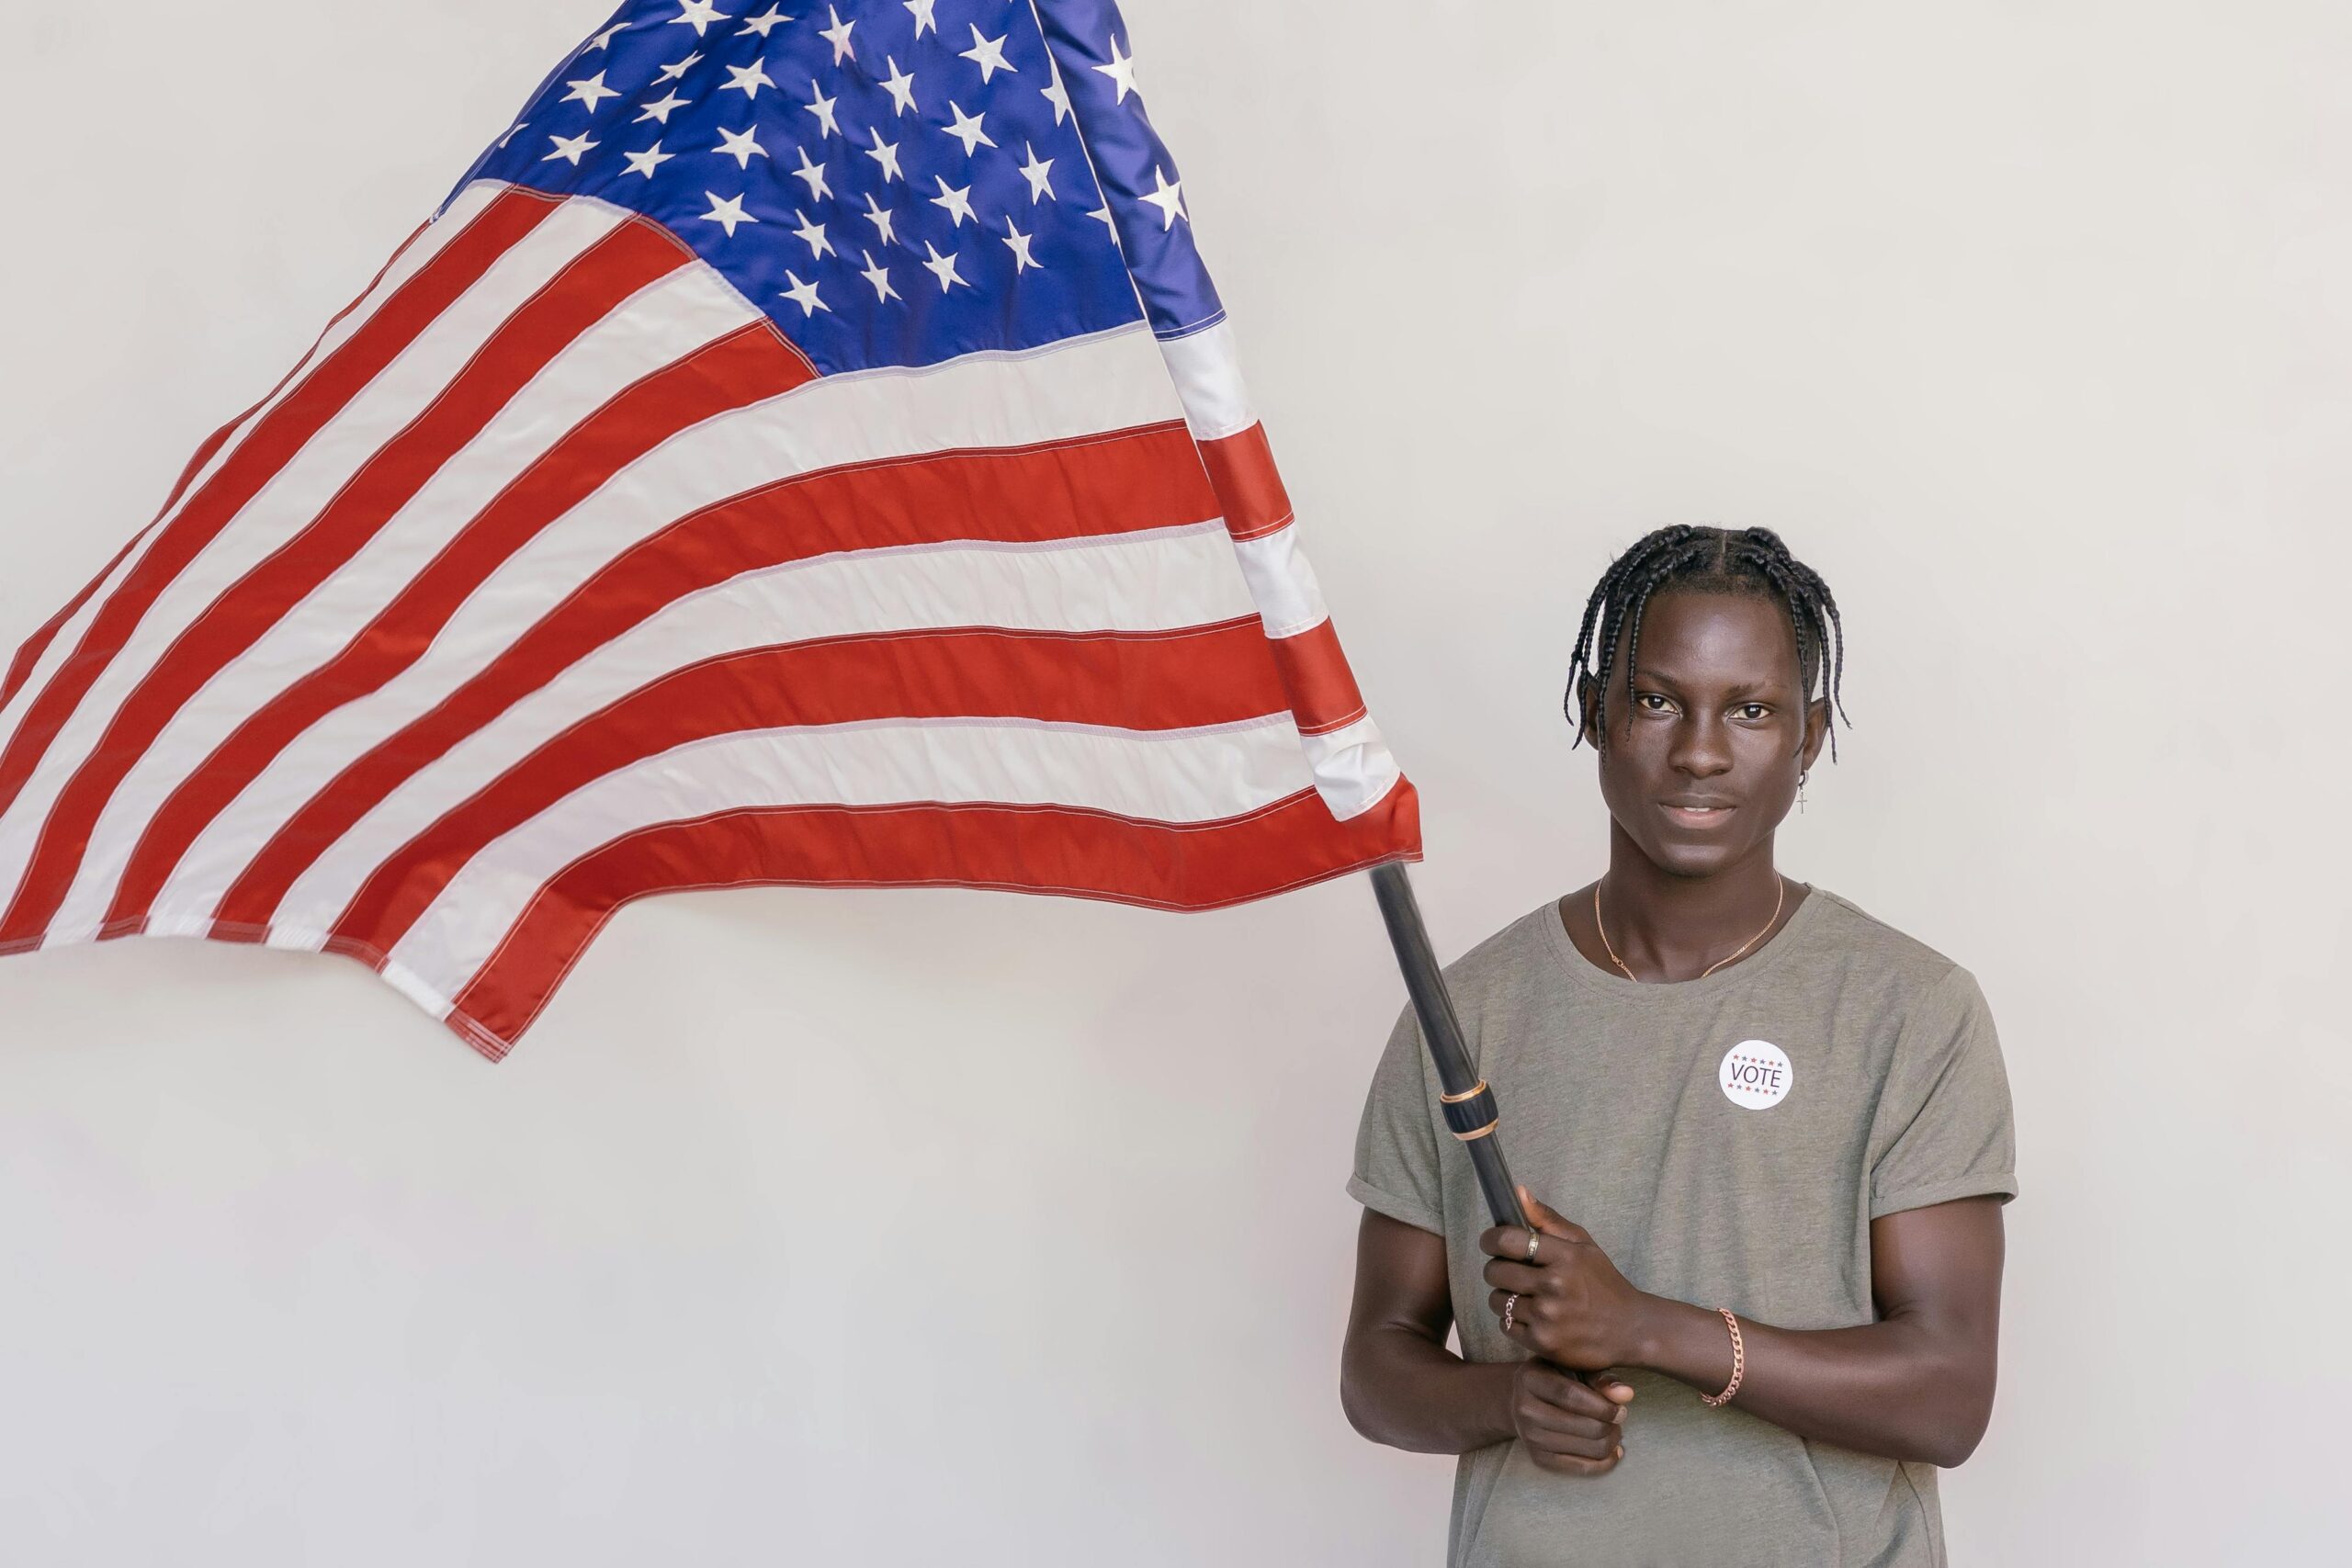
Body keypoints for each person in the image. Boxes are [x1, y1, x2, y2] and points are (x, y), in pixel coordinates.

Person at [1340, 525, 2018, 1566]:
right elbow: (1377, 1373)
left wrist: (1647, 1329)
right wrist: (1506, 1401)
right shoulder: (1465, 1011)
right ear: (1594, 713)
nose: (1700, 750)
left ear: (1809, 735)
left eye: (1751, 710)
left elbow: (1946, 1397)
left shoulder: (1910, 1010)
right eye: (1657, 700)